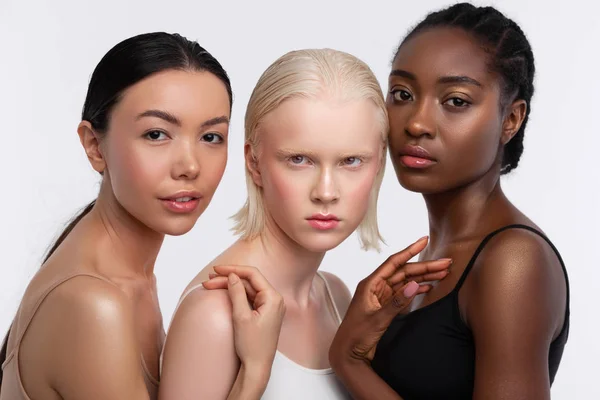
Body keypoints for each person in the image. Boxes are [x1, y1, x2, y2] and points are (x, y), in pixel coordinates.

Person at [0, 32, 284, 400]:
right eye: (156, 134)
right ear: (94, 146)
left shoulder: (128, 277)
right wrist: (254, 373)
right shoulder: (92, 305)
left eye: (211, 137)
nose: (190, 166)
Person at [159, 48, 453, 400]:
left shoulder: (337, 296)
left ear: (377, 166)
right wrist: (254, 373)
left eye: (350, 161)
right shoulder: (214, 315)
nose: (326, 192)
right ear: (254, 162)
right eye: (299, 160)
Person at [329, 3, 570, 400]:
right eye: (402, 94)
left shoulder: (513, 260)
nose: (417, 123)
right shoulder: (430, 262)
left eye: (455, 101)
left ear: (511, 119)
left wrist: (349, 361)